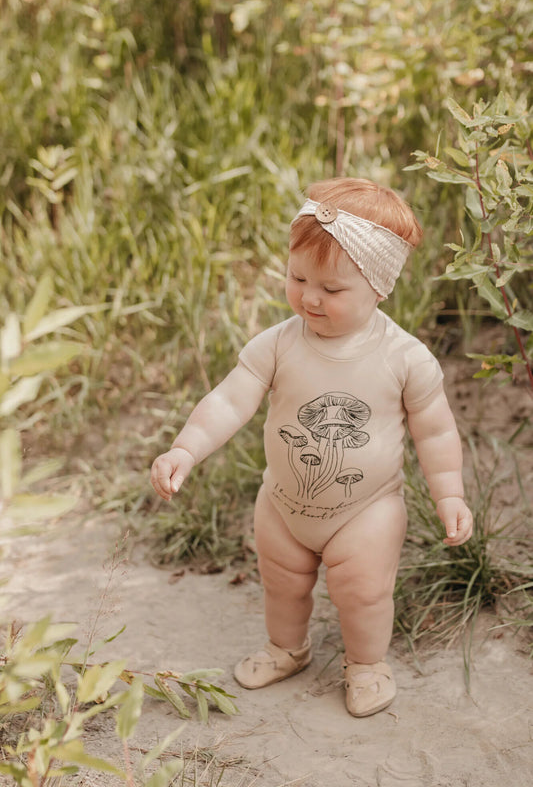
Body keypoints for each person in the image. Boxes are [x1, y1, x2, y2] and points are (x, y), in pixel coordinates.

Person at [150, 177, 473, 718]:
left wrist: (450, 494)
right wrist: (186, 449)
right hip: (282, 502)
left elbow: (435, 432)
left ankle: (367, 663)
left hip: (366, 509)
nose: (309, 296)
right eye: (297, 277)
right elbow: (230, 401)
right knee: (282, 582)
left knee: (363, 592)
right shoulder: (278, 343)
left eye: (332, 288)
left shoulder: (406, 358)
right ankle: (287, 647)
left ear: (378, 287)